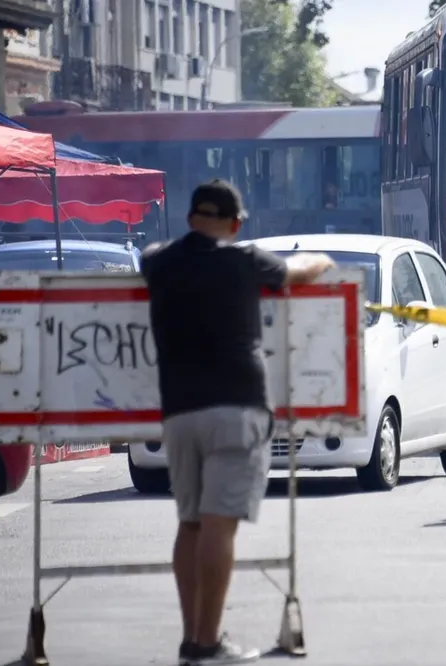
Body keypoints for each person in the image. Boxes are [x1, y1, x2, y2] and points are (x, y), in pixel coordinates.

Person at [140, 179, 335, 665]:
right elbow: (299, 272)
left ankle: (191, 639)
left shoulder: (160, 264)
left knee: (189, 524)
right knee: (219, 525)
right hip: (237, 406)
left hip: (179, 412)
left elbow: (148, 252)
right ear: (237, 223)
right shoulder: (245, 261)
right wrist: (324, 261)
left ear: (190, 219)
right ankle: (207, 645)